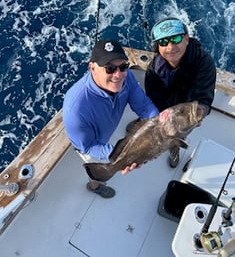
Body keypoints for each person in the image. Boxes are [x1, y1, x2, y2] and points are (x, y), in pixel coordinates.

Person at [63, 39, 159, 198]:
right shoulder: (75, 110)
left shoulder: (126, 77)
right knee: (98, 172)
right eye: (110, 69)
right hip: (91, 143)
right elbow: (88, 147)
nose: (118, 75)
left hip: (109, 128)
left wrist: (158, 122)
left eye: (123, 67)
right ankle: (95, 186)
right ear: (92, 68)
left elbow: (143, 106)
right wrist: (122, 156)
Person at [144, 17, 216, 168]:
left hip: (185, 115)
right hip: (164, 109)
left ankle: (174, 147)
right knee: (149, 127)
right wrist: (157, 117)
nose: (170, 47)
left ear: (186, 39)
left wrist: (199, 113)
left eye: (175, 39)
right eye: (163, 42)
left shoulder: (204, 62)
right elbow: (152, 96)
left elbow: (204, 97)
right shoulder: (154, 69)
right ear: (157, 46)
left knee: (176, 135)